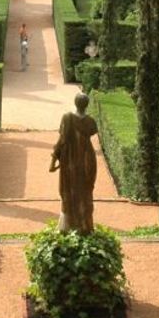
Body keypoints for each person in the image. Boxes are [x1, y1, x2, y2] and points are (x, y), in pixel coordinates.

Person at [49, 92, 97, 234]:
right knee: (84, 193)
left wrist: (53, 160)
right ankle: (84, 226)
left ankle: (67, 227)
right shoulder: (90, 122)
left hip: (70, 160)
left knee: (69, 192)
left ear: (75, 103)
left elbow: (62, 140)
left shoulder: (67, 118)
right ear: (87, 105)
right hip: (86, 160)